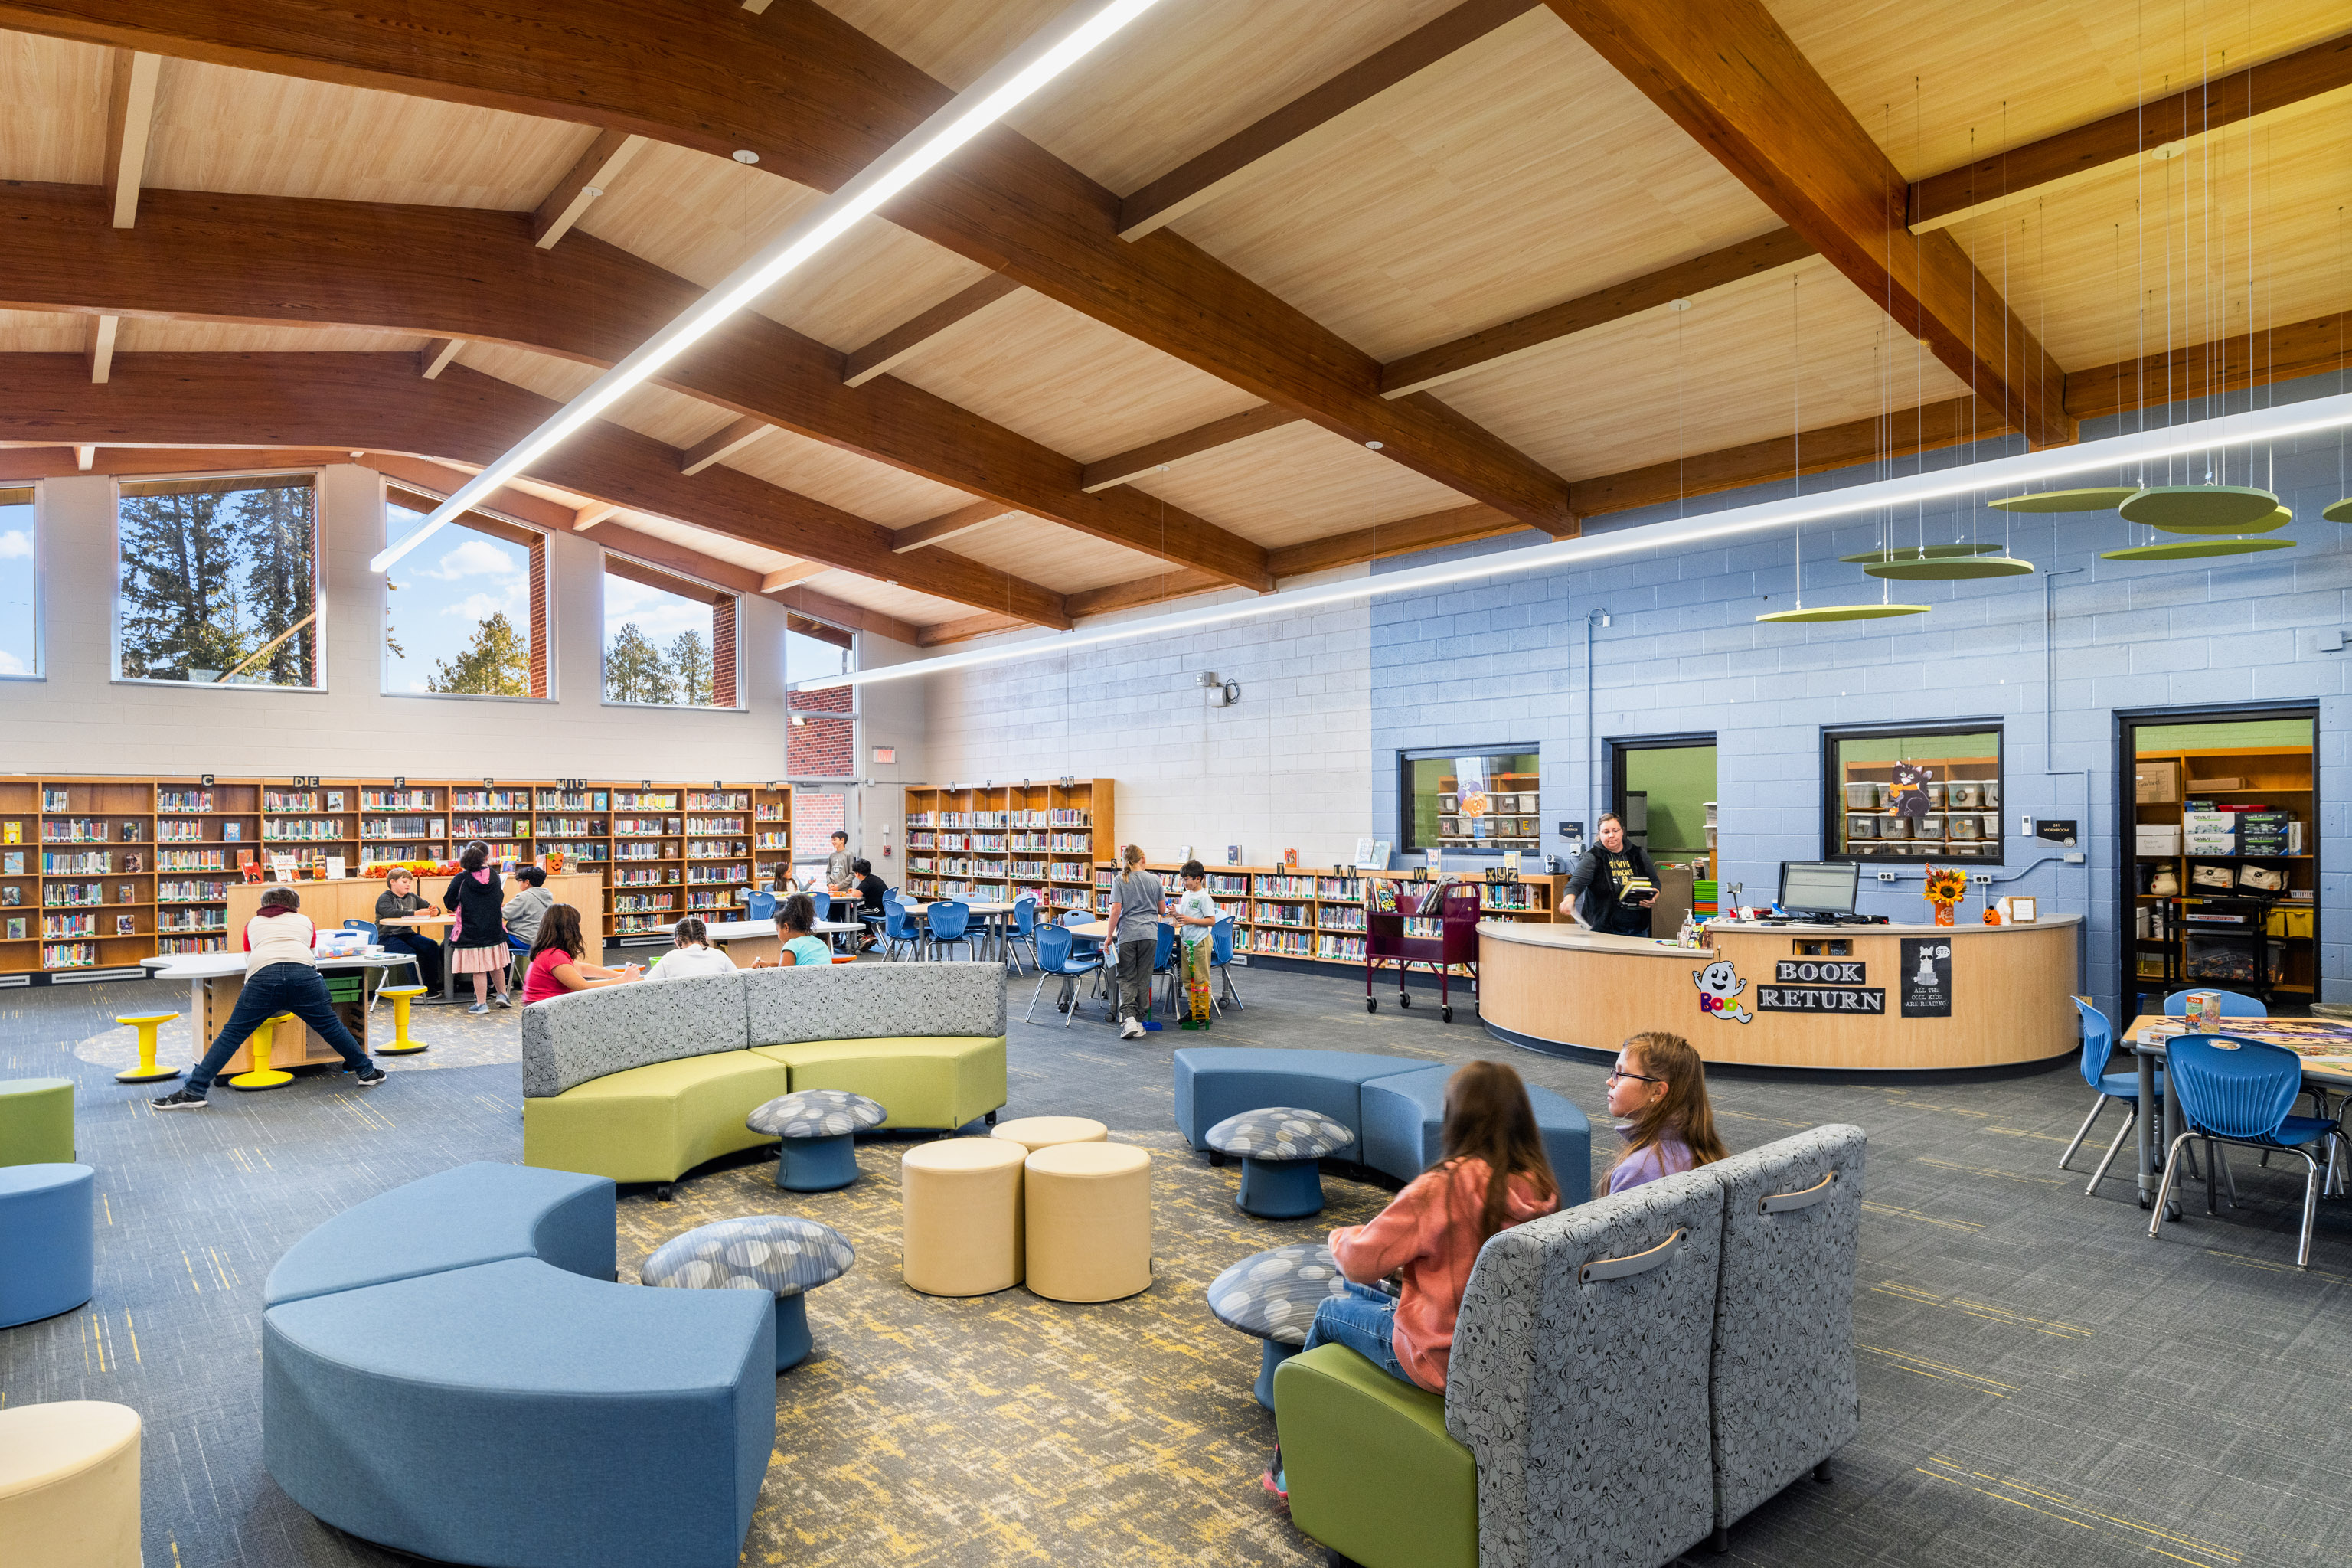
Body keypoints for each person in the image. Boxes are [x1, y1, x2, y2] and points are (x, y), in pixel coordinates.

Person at [1263, 1060, 1559, 1500]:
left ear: (1457, 1118)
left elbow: (1359, 1261)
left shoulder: (1444, 1186)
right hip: (1500, 1354)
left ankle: (1289, 1460)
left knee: (1329, 1312)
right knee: (1368, 1291)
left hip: (1437, 1358)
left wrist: (1339, 1236)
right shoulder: (1540, 1186)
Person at [151, 887, 384, 1108]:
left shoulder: (252, 924)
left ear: (264, 905)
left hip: (263, 980)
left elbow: (248, 957)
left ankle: (194, 1091)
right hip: (304, 977)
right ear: (295, 906)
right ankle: (367, 1072)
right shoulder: (306, 922)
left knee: (231, 1035)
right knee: (331, 1028)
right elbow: (311, 953)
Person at [1606, 1031, 1728, 1194]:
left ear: (1657, 1091)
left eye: (1622, 1074)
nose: (1610, 1081)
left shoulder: (1636, 1171)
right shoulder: (1701, 1148)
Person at [444, 841, 514, 1014]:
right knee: (496, 964)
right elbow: (499, 898)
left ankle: (481, 1004)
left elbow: (449, 901)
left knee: (478, 969)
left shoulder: (461, 878)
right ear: (487, 857)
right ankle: (503, 995)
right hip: (494, 929)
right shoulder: (494, 875)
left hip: (470, 930)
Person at [521, 905, 643, 1003]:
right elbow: (583, 987)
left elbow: (581, 968)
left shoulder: (549, 952)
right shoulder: (554, 956)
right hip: (548, 1010)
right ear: (569, 929)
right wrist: (624, 979)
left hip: (546, 1005)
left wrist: (616, 975)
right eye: (578, 924)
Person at [1102, 844, 1163, 1040]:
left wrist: (1109, 936)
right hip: (1149, 935)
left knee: (1127, 976)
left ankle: (1129, 1019)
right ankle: (1138, 1021)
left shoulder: (1120, 880)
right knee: (1144, 977)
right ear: (1142, 859)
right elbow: (1162, 910)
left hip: (1128, 934)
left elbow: (1115, 910)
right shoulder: (1155, 880)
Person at [1568, 812, 1659, 936]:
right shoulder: (1593, 858)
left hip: (1638, 929)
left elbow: (1655, 881)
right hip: (1603, 930)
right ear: (1600, 834)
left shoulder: (1638, 853)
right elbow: (1576, 884)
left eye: (1615, 831)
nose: (1611, 835)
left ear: (1622, 832)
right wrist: (1569, 899)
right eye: (1606, 832)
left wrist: (1653, 896)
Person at [371, 867, 444, 995]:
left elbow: (429, 906)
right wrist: (415, 913)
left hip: (407, 934)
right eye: (404, 882)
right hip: (386, 936)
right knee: (409, 953)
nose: (408, 885)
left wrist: (435, 911)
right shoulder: (385, 897)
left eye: (410, 882)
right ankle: (416, 990)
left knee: (431, 945)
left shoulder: (412, 897)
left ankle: (431, 985)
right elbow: (389, 912)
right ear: (393, 882)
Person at [1171, 859, 1217, 1029]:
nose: (1184, 882)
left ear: (1198, 879)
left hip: (1200, 942)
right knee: (1188, 977)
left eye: (1187, 879)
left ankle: (1204, 1013)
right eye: (1183, 879)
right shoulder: (1186, 895)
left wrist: (1191, 920)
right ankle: (1194, 1010)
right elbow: (1184, 919)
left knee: (1200, 978)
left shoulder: (1204, 898)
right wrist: (1175, 914)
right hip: (1187, 941)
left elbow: (1211, 921)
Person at [750, 894, 834, 969]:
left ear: (786, 927)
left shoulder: (792, 945)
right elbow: (793, 967)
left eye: (777, 930)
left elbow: (782, 975)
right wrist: (768, 964)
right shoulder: (821, 944)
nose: (778, 935)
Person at [647, 915, 739, 981]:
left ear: (677, 942)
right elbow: (737, 979)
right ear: (706, 938)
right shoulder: (719, 955)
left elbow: (648, 983)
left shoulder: (670, 958)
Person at [501, 864, 554, 949]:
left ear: (527, 882)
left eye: (519, 881)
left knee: (493, 938)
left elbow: (503, 915)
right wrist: (505, 905)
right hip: (538, 940)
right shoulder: (545, 896)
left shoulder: (524, 896)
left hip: (522, 939)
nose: (518, 884)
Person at [852, 858, 887, 953]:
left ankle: (862, 938)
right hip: (883, 909)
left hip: (876, 910)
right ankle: (870, 935)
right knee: (859, 913)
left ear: (857, 873)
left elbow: (856, 894)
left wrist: (854, 891)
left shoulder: (867, 882)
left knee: (852, 913)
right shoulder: (873, 878)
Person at [824, 831, 854, 897]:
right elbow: (828, 873)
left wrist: (839, 886)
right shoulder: (832, 855)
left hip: (845, 892)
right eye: (832, 840)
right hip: (832, 892)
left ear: (842, 840)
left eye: (835, 840)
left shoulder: (849, 854)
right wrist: (829, 884)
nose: (833, 842)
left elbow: (852, 874)